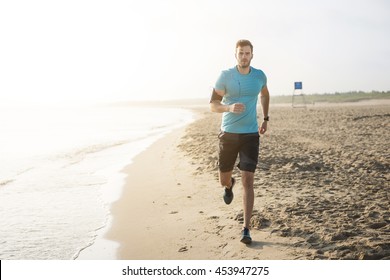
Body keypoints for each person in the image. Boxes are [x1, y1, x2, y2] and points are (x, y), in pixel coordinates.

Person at [209, 39, 270, 244]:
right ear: (235, 55)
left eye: (247, 53)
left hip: (250, 134)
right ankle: (229, 185)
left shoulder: (259, 76)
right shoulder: (225, 76)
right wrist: (228, 107)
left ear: (252, 55)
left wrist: (266, 118)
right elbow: (213, 104)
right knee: (223, 180)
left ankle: (246, 228)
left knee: (248, 181)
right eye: (240, 53)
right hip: (229, 134)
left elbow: (265, 94)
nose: (244, 56)